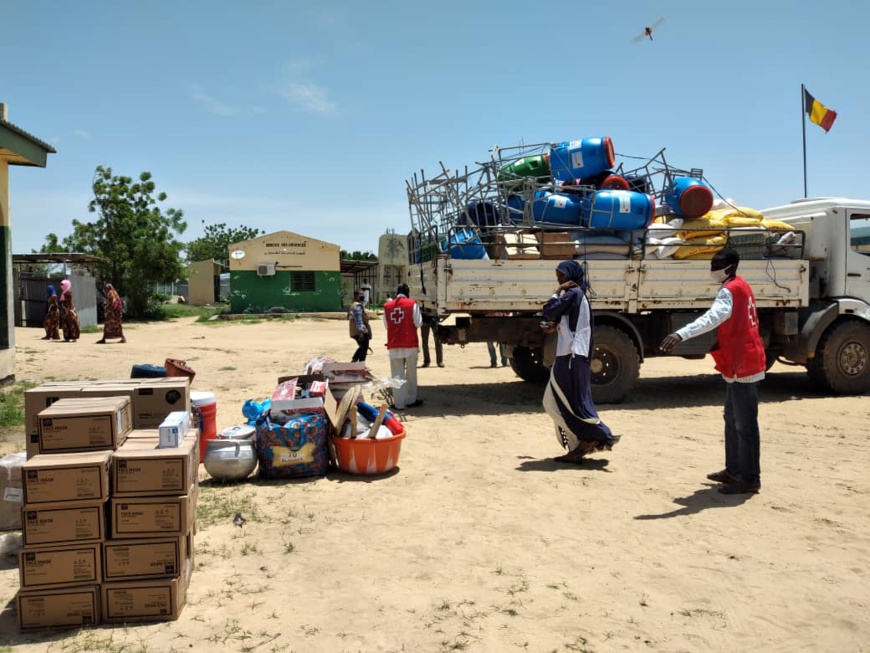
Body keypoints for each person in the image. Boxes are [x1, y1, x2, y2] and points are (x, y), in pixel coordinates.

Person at [659, 248, 765, 495]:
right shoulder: (740, 286)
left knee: (745, 424)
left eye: (716, 264)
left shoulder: (730, 291)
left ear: (729, 268)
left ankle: (750, 478)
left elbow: (711, 318)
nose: (712, 268)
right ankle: (734, 470)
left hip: (743, 364)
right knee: (731, 419)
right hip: (739, 361)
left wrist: (680, 334)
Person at [541, 260, 618, 463]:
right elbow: (558, 317)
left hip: (571, 356)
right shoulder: (575, 296)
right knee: (559, 401)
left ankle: (598, 435)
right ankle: (580, 444)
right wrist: (553, 325)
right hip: (570, 355)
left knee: (567, 402)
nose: (560, 281)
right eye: (558, 277)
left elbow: (549, 309)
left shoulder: (573, 294)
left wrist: (557, 291)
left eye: (563, 277)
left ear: (572, 277)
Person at [383, 283, 424, 409]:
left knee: (397, 374)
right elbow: (418, 323)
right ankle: (411, 400)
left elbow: (386, 325)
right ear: (408, 292)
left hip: (394, 343)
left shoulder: (387, 306)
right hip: (410, 342)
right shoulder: (412, 304)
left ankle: (399, 404)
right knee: (411, 372)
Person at [348, 289, 371, 362]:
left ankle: (354, 360)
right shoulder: (357, 306)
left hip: (354, 330)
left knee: (363, 347)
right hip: (360, 331)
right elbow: (359, 320)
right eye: (360, 294)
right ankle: (361, 364)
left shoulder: (354, 304)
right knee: (364, 348)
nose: (362, 295)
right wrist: (362, 331)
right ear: (356, 296)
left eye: (362, 294)